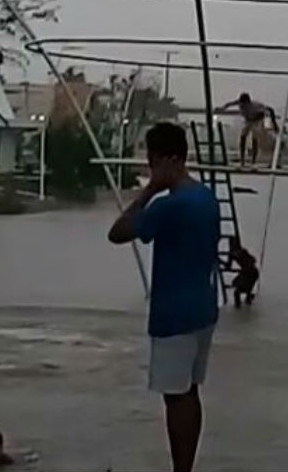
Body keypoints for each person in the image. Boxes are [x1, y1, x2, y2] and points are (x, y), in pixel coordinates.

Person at [108, 122, 220, 472]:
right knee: (190, 391)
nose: (150, 169)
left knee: (175, 398)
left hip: (174, 314)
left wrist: (147, 193)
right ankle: (187, 467)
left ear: (169, 160)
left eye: (153, 162)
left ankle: (181, 470)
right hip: (203, 308)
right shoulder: (205, 197)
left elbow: (117, 233)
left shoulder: (170, 205)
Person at [220, 92, 279, 167]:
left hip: (257, 120)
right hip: (248, 120)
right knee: (243, 136)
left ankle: (253, 161)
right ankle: (242, 160)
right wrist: (222, 108)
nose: (243, 106)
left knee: (255, 137)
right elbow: (229, 104)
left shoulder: (256, 106)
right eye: (242, 105)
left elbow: (270, 109)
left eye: (245, 105)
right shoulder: (240, 103)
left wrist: (274, 123)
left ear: (248, 103)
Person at [224, 236, 259, 308]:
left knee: (238, 291)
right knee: (239, 288)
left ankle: (241, 307)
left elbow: (253, 260)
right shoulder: (232, 254)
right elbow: (228, 265)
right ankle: (245, 303)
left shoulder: (243, 252)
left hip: (252, 273)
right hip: (249, 273)